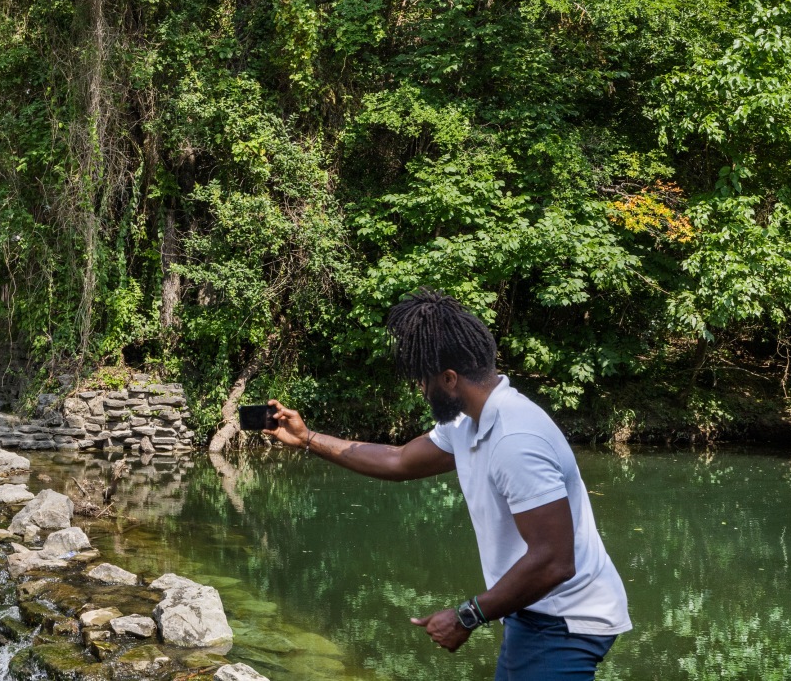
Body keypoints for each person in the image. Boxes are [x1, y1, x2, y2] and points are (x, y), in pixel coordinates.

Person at [261, 289, 630, 680]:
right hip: (534, 614)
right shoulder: (466, 422)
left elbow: (556, 560)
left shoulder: (516, 439)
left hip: (563, 620)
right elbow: (399, 460)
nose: (421, 389)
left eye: (424, 379)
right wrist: (308, 439)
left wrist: (467, 615)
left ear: (449, 379)